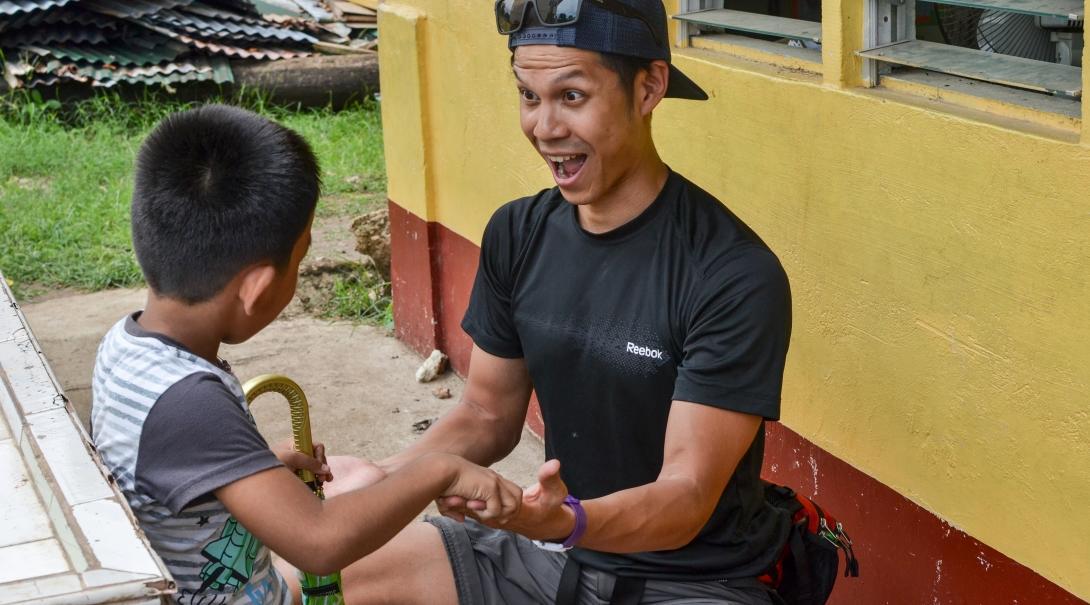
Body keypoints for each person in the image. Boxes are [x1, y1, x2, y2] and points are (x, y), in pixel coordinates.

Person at [346, 1, 796, 603]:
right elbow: (485, 414)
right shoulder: (517, 232)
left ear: (648, 88)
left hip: (695, 581)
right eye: (529, 97)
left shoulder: (730, 273)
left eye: (572, 96)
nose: (545, 127)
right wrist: (384, 480)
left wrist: (564, 521)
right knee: (320, 579)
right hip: (554, 557)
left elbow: (685, 495)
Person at [90, 104, 523, 605]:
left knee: (366, 496)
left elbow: (162, 470)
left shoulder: (127, 346)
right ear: (257, 288)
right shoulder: (190, 402)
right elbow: (321, 543)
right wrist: (440, 469)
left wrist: (248, 469)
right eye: (300, 258)